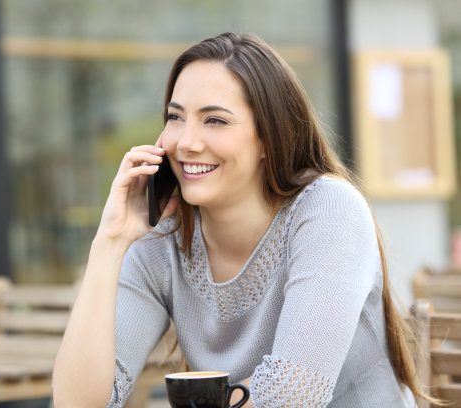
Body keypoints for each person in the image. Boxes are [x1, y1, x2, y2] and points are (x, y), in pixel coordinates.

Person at [53, 32, 438, 407]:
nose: (186, 142)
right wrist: (109, 243)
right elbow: (77, 403)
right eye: (175, 117)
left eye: (215, 120)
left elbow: (291, 396)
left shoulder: (328, 210)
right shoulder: (161, 238)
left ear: (272, 137)